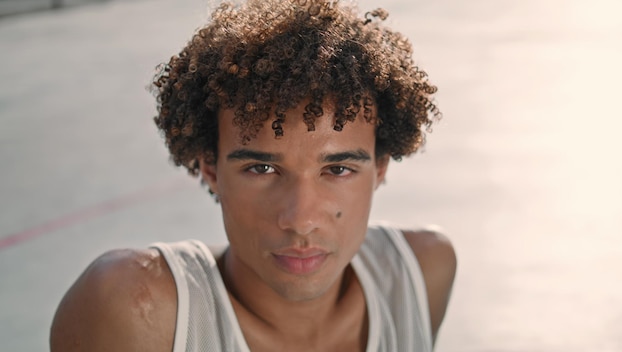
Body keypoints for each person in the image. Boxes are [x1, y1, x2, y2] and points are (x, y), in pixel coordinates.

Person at [50, 0, 456, 351]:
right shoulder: (133, 308)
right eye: (261, 168)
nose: (300, 219)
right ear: (210, 167)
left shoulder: (420, 273)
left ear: (380, 168)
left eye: (337, 169)